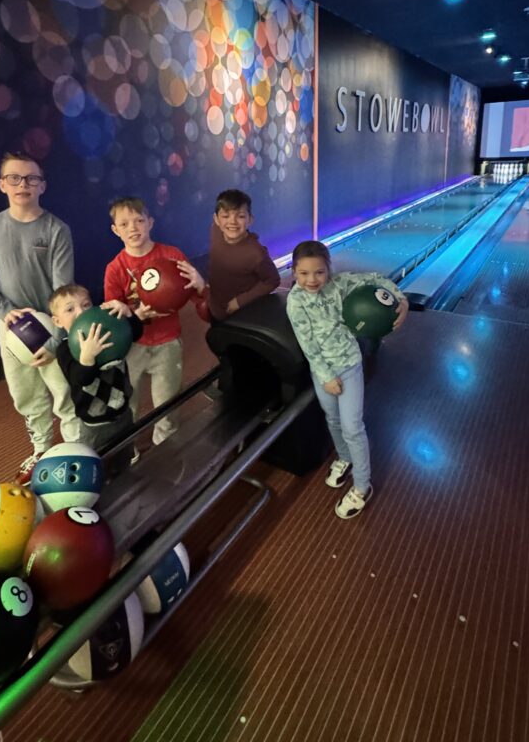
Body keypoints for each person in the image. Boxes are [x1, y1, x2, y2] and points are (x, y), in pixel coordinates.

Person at [0, 151, 82, 483]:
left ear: (42, 185)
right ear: (2, 184)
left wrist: (57, 336)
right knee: (26, 395)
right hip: (11, 331)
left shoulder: (57, 229)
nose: (23, 185)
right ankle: (42, 449)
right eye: (14, 178)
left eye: (32, 178)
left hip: (50, 329)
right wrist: (4, 312)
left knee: (64, 394)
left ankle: (76, 452)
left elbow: (64, 290)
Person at [286, 240, 409, 519]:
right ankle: (344, 458)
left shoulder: (340, 284)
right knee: (333, 420)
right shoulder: (295, 301)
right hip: (322, 372)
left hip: (350, 365)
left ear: (329, 269)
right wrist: (327, 377)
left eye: (319, 272)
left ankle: (362, 487)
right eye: (304, 273)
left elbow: (377, 279)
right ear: (294, 272)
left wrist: (401, 300)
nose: (312, 279)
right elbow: (308, 346)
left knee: (353, 427)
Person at [104, 196, 206, 447]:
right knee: (129, 405)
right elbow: (114, 316)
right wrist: (134, 314)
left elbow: (198, 298)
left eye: (139, 220)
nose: (133, 228)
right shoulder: (115, 268)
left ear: (150, 222)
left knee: (168, 405)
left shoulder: (172, 255)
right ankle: (128, 450)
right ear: (115, 230)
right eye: (125, 224)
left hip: (167, 343)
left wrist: (201, 284)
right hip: (132, 346)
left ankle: (167, 451)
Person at [48, 284, 145, 471]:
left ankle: (125, 462)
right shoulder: (65, 349)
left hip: (123, 412)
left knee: (123, 454)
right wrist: (87, 357)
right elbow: (80, 378)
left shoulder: (107, 330)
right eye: (70, 309)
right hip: (94, 424)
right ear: (57, 321)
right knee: (95, 465)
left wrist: (128, 314)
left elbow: (135, 333)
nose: (81, 312)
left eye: (85, 305)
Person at [207, 188, 281, 321]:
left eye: (240, 216)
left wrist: (240, 301)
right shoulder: (215, 231)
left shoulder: (256, 253)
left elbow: (273, 280)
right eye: (225, 216)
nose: (232, 222)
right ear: (216, 219)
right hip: (215, 307)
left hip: (241, 313)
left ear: (250, 220)